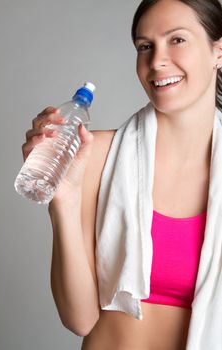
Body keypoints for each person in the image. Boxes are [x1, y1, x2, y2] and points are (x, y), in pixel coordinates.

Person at [22, 0, 222, 349]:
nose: (157, 60)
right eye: (145, 46)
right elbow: (78, 318)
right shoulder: (95, 155)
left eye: (177, 40)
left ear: (218, 51)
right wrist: (63, 199)